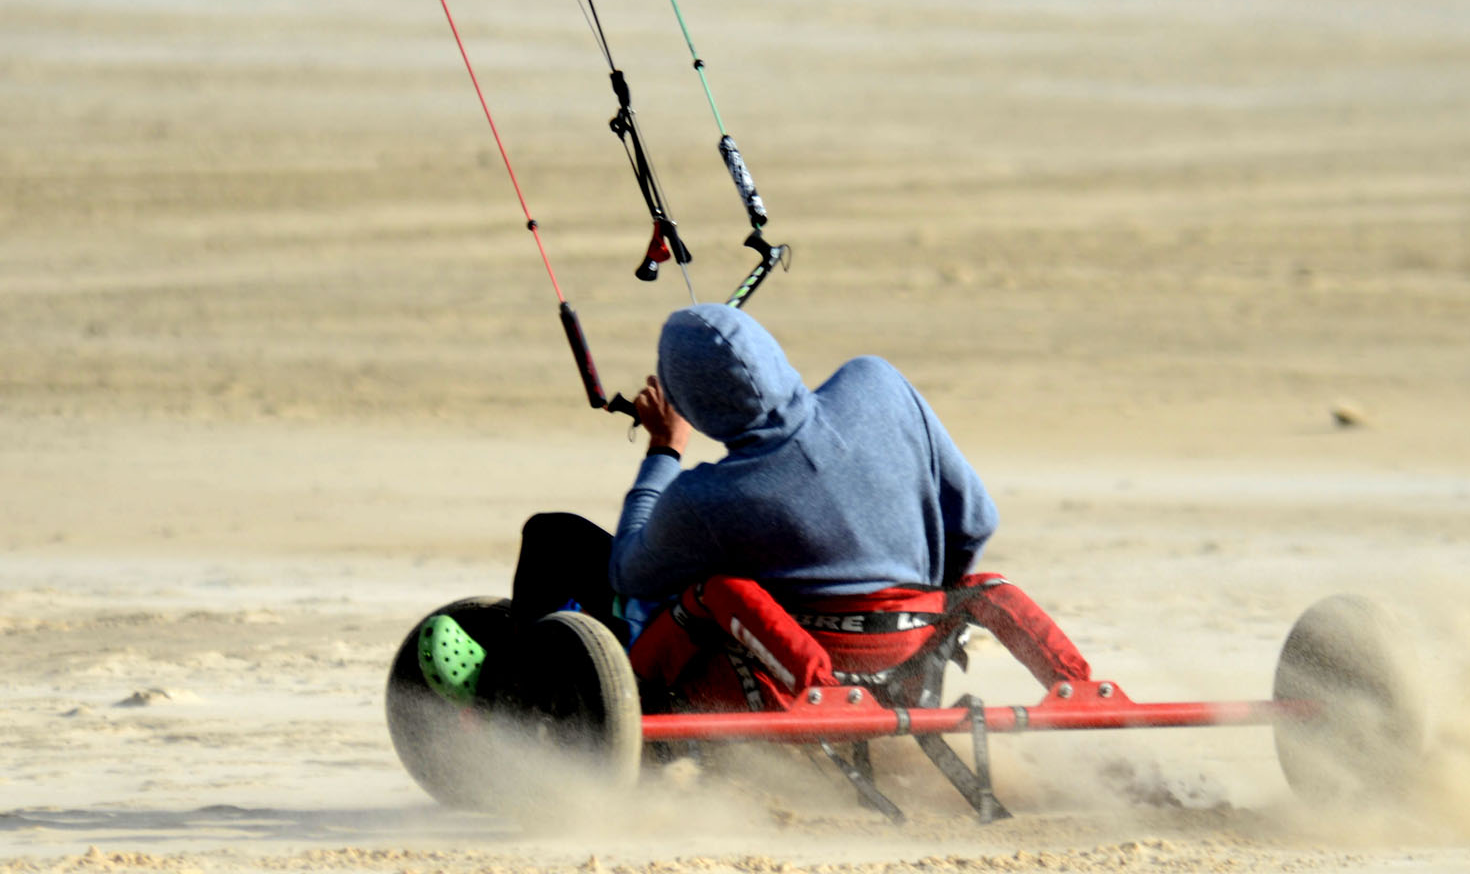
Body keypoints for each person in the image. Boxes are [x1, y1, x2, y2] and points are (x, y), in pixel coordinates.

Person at [420, 303, 1089, 708]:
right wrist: (900, 589)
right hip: (910, 643)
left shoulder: (709, 494)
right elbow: (977, 519)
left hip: (787, 667)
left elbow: (629, 572)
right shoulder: (878, 382)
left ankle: (511, 699)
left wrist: (664, 450)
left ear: (694, 404)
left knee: (556, 536)